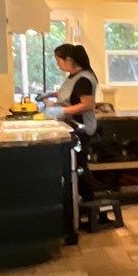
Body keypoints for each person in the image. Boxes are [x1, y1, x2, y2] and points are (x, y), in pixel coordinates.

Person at [53, 43, 98, 199]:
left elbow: (87, 104)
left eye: (59, 60)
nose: (57, 64)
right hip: (73, 126)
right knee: (76, 166)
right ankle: (79, 206)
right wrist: (50, 96)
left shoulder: (84, 79)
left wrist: (60, 110)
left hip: (82, 128)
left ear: (69, 60)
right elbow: (69, 95)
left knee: (80, 167)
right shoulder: (73, 77)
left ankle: (89, 205)